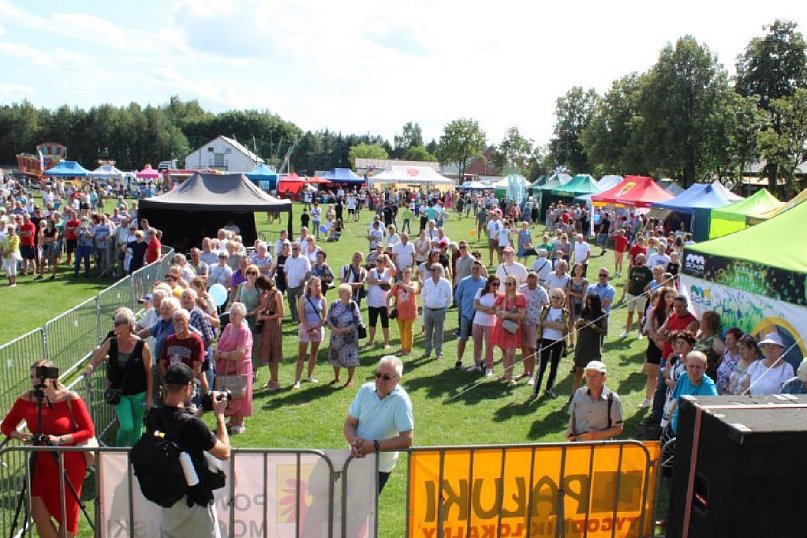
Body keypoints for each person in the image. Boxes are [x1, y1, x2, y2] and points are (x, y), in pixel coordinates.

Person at [2, 360, 95, 538]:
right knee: (39, 514)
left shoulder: (70, 398)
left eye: (38, 376)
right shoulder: (26, 399)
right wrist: (21, 437)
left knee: (67, 516)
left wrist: (60, 439)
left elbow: (89, 430)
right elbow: (6, 426)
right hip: (39, 465)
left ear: (51, 377)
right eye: (32, 376)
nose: (34, 381)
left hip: (69, 464)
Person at [147, 363, 230, 536]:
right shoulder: (193, 425)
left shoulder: (153, 417)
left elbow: (175, 430)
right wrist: (220, 416)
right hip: (197, 502)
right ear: (188, 387)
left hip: (170, 502)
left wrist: (198, 413)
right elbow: (224, 452)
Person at [343, 356, 414, 494]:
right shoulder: (365, 390)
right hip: (356, 458)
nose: (380, 380)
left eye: (386, 377)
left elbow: (407, 439)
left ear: (398, 379)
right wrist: (354, 442)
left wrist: (374, 446)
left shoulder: (402, 401)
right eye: (378, 375)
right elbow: (349, 424)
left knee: (363, 508)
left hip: (380, 466)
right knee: (345, 504)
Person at [85, 308, 153, 446]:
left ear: (128, 324)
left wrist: (149, 396)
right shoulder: (111, 342)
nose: (114, 327)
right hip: (119, 393)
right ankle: (119, 450)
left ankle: (135, 456)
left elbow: (149, 371)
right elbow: (96, 358)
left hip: (139, 393)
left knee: (137, 426)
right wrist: (90, 368)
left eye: (117, 324)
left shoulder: (142, 346)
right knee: (127, 425)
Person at [212, 302, 253, 434]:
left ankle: (240, 421)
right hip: (225, 367)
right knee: (228, 393)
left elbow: (241, 352)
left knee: (238, 393)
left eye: (235, 314)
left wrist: (223, 355)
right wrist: (216, 352)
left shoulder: (244, 331)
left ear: (242, 316)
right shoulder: (228, 327)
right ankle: (232, 419)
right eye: (231, 313)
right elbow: (219, 344)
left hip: (239, 368)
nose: (232, 316)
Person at [567, 361, 623, 441]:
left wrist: (598, 434)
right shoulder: (579, 394)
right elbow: (572, 417)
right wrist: (571, 432)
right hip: (578, 446)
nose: (590, 379)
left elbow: (618, 429)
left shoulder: (613, 400)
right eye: (588, 375)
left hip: (601, 448)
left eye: (594, 376)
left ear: (604, 378)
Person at [531, 288, 570, 399]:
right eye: (553, 297)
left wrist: (549, 324)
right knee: (541, 367)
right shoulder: (545, 309)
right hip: (546, 340)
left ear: (562, 300)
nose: (555, 300)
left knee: (554, 367)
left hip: (558, 342)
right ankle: (535, 391)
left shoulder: (565, 312)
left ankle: (549, 389)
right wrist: (554, 324)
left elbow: (564, 327)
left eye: (558, 298)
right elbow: (541, 322)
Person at [668, 351, 718, 435]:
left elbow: (715, 412)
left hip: (692, 436)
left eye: (698, 367)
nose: (694, 371)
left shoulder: (708, 386)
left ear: (705, 368)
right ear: (686, 366)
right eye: (691, 366)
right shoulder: (683, 377)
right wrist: (669, 423)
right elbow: (677, 402)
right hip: (674, 431)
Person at [571, 294, 608, 395]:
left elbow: (605, 331)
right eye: (587, 304)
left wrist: (593, 326)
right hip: (582, 345)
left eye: (591, 304)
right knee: (578, 372)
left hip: (593, 348)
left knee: (594, 374)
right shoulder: (585, 312)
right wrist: (579, 323)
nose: (589, 306)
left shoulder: (602, 314)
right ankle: (574, 395)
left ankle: (594, 394)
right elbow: (577, 327)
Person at [294, 277, 327, 389]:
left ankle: (309, 375)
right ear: (309, 286)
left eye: (319, 285)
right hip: (305, 328)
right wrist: (309, 328)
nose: (318, 287)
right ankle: (297, 380)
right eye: (316, 285)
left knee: (314, 353)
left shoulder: (322, 299)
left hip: (317, 329)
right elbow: (301, 315)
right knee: (301, 355)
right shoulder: (304, 298)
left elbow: (324, 317)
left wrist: (317, 328)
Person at [492, 275, 526, 383]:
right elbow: (497, 311)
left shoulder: (519, 298)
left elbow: (521, 315)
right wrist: (503, 313)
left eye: (509, 284)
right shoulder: (501, 297)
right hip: (502, 327)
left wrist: (506, 314)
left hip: (512, 328)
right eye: (506, 283)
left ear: (515, 285)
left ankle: (510, 376)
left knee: (511, 353)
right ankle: (506, 374)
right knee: (504, 352)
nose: (507, 286)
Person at [327, 284, 362, 386]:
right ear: (341, 294)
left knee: (351, 357)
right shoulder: (334, 304)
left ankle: (349, 379)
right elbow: (328, 318)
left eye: (351, 293)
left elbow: (357, 320)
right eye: (348, 293)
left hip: (350, 338)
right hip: (336, 336)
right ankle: (337, 377)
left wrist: (345, 329)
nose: (350, 295)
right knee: (335, 356)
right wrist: (334, 328)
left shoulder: (353, 305)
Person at [453, 261, 486, 369]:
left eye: (477, 268)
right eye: (473, 268)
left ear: (481, 270)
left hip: (479, 317)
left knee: (478, 340)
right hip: (465, 316)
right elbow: (457, 297)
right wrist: (463, 310)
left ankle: (478, 361)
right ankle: (459, 359)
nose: (475, 270)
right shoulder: (464, 281)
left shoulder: (485, 283)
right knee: (463, 338)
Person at [518, 271, 549, 382]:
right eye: (529, 282)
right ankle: (525, 371)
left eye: (533, 283)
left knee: (532, 349)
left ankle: (532, 375)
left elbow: (547, 305)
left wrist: (541, 321)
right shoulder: (521, 289)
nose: (530, 285)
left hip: (534, 323)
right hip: (522, 322)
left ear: (537, 281)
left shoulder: (541, 291)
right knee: (523, 347)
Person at [256, 276, 284, 391]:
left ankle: (275, 381)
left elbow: (281, 313)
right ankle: (271, 379)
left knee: (274, 353)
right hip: (267, 327)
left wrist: (265, 318)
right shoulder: (267, 294)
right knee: (268, 353)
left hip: (273, 327)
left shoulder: (277, 294)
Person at [420, 264, 453, 360]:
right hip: (428, 309)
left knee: (439, 332)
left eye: (434, 270)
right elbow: (423, 295)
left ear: (439, 271)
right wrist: (428, 304)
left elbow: (449, 298)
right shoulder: (427, 282)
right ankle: (427, 352)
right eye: (431, 270)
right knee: (428, 332)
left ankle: (438, 352)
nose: (432, 271)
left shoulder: (446, 283)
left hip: (440, 311)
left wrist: (442, 307)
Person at [470, 276, 500, 375]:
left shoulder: (498, 296)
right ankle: (477, 365)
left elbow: (494, 311)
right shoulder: (480, 291)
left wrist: (481, 308)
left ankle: (489, 367)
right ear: (489, 283)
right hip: (477, 322)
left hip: (490, 324)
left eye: (497, 285)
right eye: (494, 284)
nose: (496, 286)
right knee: (477, 344)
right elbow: (475, 305)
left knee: (489, 346)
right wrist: (487, 309)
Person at [366, 254, 396, 348]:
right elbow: (370, 280)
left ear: (385, 263)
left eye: (381, 261)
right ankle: (371, 340)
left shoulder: (388, 271)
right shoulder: (372, 271)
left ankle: (386, 342)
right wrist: (382, 282)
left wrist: (388, 259)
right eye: (377, 260)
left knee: (385, 323)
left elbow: (394, 270)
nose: (378, 263)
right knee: (372, 322)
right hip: (373, 301)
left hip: (385, 302)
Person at [388, 267, 419, 356]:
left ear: (411, 274)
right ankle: (403, 347)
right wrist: (387, 308)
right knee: (402, 330)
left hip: (411, 311)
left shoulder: (414, 283)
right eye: (405, 272)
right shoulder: (397, 285)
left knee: (408, 329)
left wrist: (401, 283)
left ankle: (408, 348)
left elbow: (412, 290)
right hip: (399, 312)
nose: (406, 274)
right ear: (402, 274)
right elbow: (389, 296)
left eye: (408, 272)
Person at [622, 254, 653, 338]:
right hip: (631, 294)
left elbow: (649, 284)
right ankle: (626, 332)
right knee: (630, 313)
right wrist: (627, 292)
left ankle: (639, 333)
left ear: (645, 260)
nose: (639, 260)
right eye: (638, 258)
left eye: (641, 259)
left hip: (641, 296)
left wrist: (646, 292)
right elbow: (629, 280)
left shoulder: (648, 271)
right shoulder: (633, 269)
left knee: (640, 315)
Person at [694, 311, 725, 380]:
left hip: (705, 377)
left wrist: (715, 366)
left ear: (710, 323)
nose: (700, 321)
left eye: (703, 320)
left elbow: (726, 353)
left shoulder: (715, 340)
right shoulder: (699, 334)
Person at [285, 242, 312, 323]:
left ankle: (302, 318)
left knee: (301, 303)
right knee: (291, 302)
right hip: (290, 285)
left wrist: (304, 280)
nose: (294, 250)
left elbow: (308, 272)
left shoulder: (304, 259)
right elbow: (285, 271)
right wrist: (286, 280)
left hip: (301, 285)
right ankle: (294, 317)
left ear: (299, 250)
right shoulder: (288, 258)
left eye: (296, 249)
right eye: (293, 249)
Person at [565, 263, 589, 348]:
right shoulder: (570, 280)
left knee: (579, 325)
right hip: (571, 305)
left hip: (580, 306)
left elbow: (583, 295)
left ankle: (579, 342)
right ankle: (571, 342)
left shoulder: (585, 282)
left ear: (583, 271)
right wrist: (568, 307)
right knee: (570, 324)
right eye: (576, 269)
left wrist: (571, 292)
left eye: (580, 269)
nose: (578, 271)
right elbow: (567, 295)